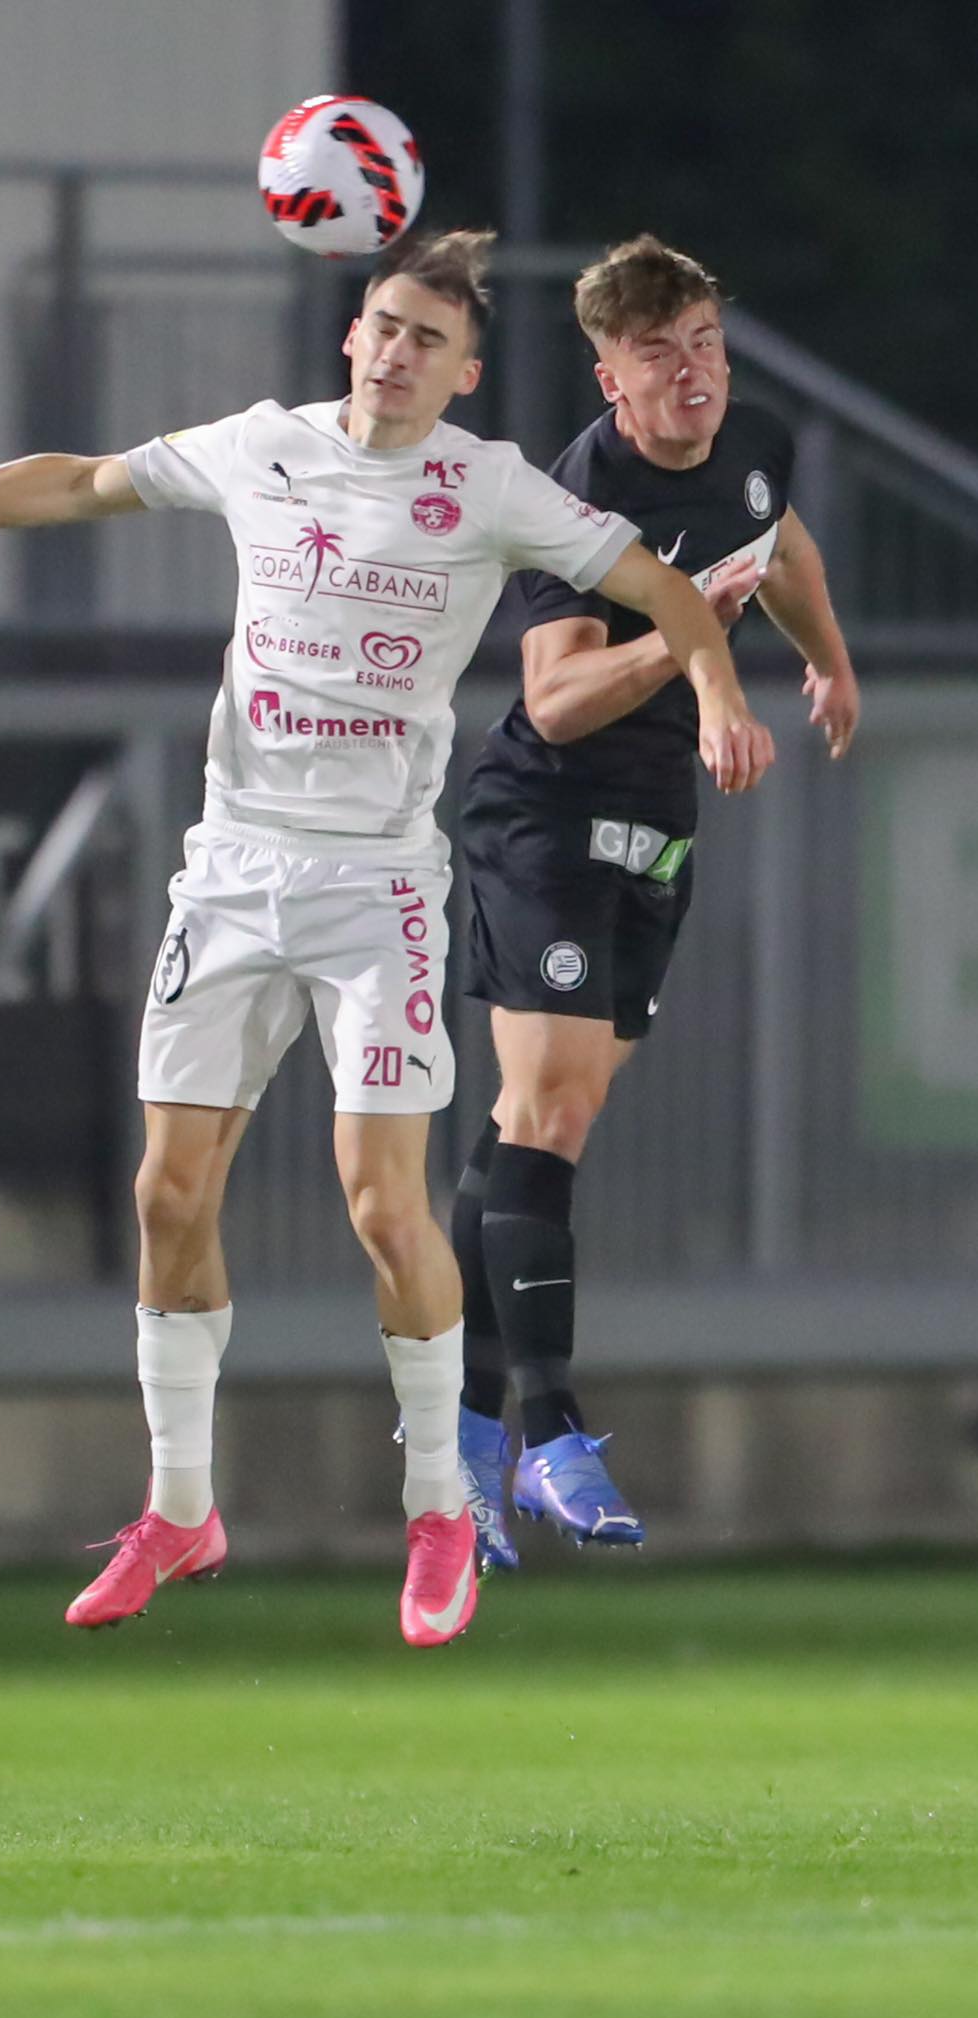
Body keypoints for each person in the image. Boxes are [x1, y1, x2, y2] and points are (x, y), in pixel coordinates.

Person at [0, 229, 765, 1647]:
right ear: (352, 335)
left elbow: (661, 586)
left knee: (383, 1207)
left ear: (464, 376)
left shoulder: (488, 487)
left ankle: (437, 1509)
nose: (397, 352)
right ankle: (179, 1509)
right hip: (230, 871)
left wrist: (716, 691)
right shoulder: (261, 446)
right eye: (383, 326)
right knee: (169, 1195)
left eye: (428, 339)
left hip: (377, 887)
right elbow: (76, 482)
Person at [452, 234, 859, 1570]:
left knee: (535, 1123)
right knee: (549, 1110)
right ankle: (548, 1430)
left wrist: (827, 661)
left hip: (653, 829)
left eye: (704, 344)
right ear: (608, 377)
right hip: (547, 816)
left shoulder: (752, 440)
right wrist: (688, 642)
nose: (692, 374)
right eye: (657, 355)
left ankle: (457, 1434)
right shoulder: (577, 501)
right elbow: (556, 698)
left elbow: (778, 541)